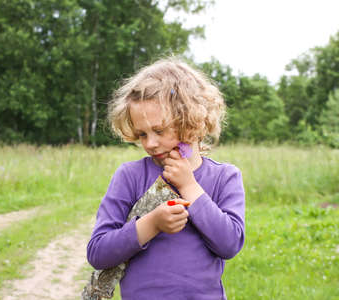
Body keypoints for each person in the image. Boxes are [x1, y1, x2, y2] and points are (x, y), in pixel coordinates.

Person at [86, 57, 245, 300]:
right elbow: (98, 252)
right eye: (142, 134)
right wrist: (151, 224)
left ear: (191, 120)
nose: (149, 143)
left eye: (159, 131)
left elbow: (229, 244)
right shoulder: (130, 176)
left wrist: (189, 186)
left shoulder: (224, 177)